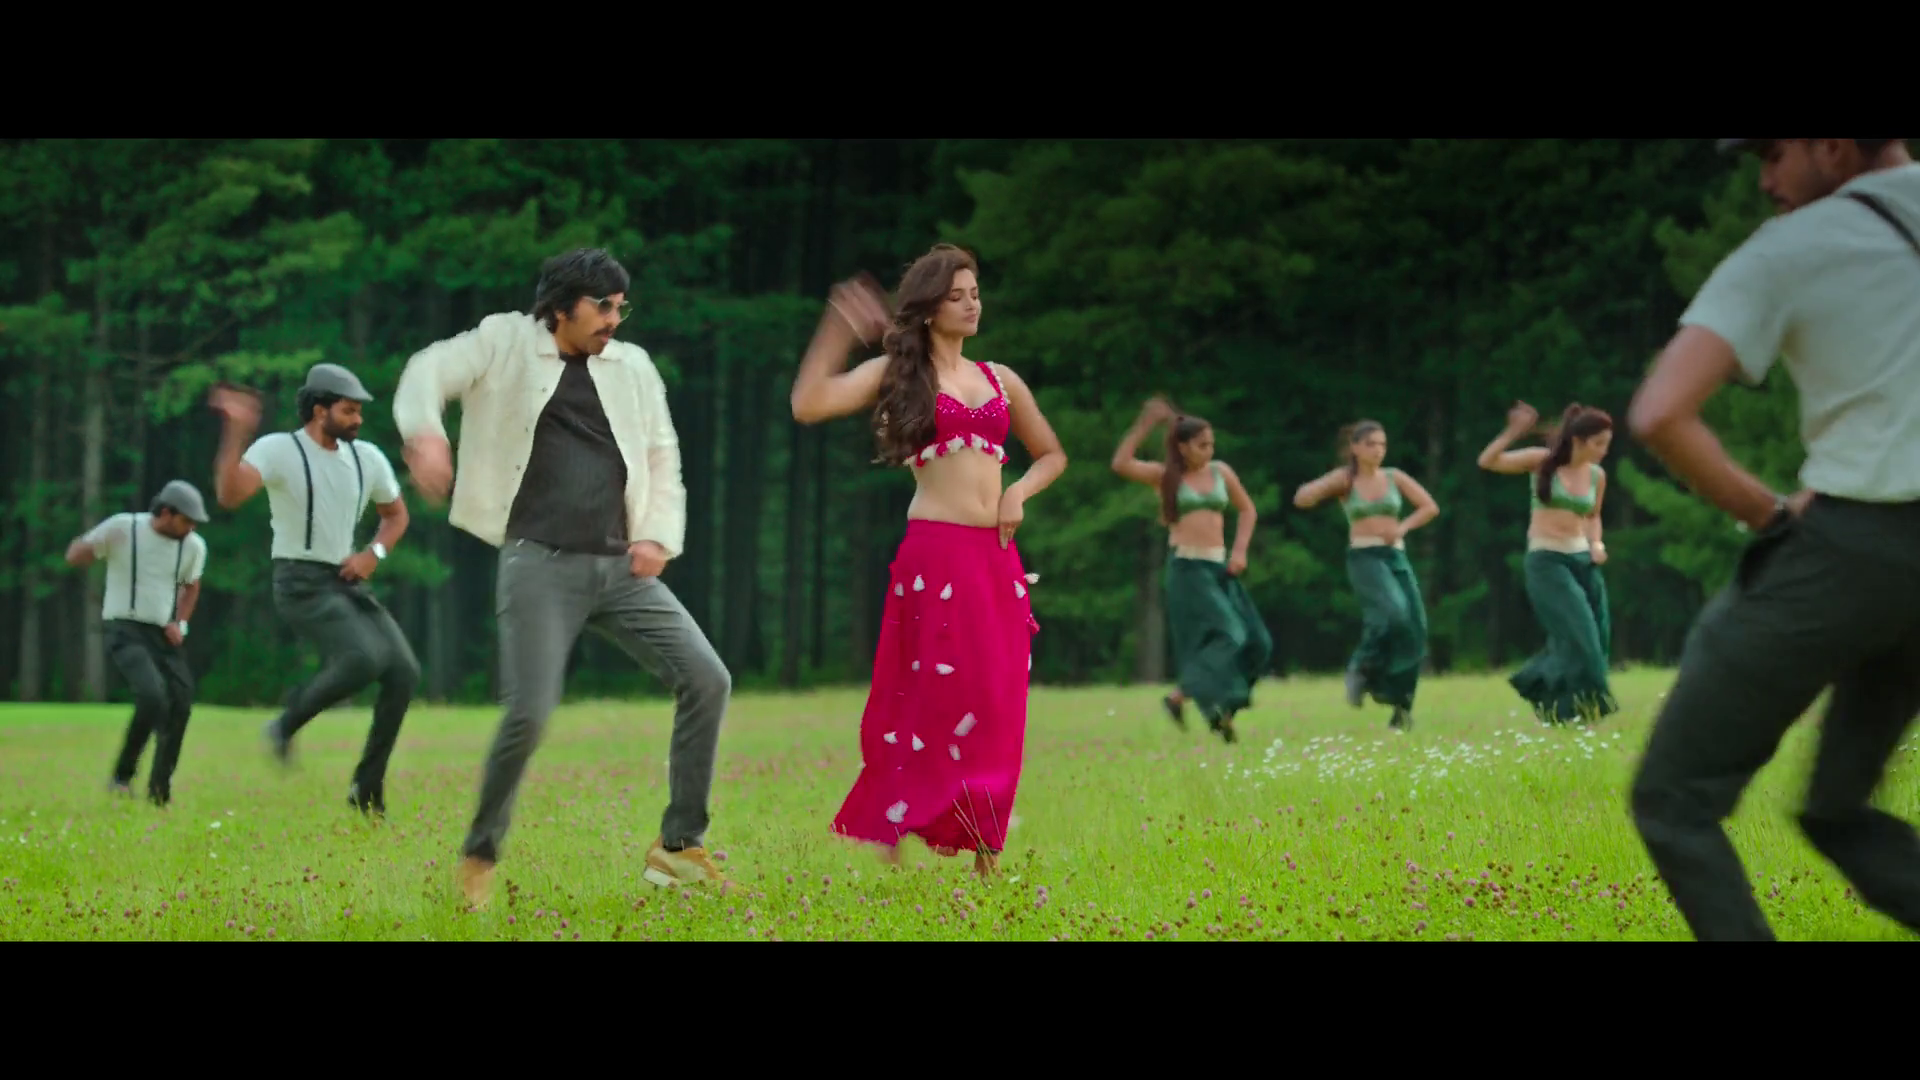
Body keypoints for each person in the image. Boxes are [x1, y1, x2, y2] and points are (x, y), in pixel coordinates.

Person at [1626, 137, 1920, 941]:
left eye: (1773, 152)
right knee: (1838, 810)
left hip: (1852, 549)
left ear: (1833, 145)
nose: (1764, 180)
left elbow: (1660, 413)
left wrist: (1768, 516)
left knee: (1674, 798)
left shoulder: (1793, 246)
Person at [392, 247, 733, 909]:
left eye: (621, 306)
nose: (614, 319)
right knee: (530, 711)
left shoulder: (632, 367)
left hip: (620, 569)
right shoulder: (505, 343)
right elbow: (427, 369)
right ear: (560, 306)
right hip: (539, 564)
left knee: (707, 678)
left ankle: (679, 846)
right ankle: (479, 855)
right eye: (602, 305)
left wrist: (657, 533)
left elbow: (661, 454)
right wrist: (425, 433)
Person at [790, 244, 1067, 878]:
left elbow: (1051, 454)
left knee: (997, 699)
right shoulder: (899, 374)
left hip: (995, 558)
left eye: (975, 294)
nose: (972, 305)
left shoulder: (1001, 379)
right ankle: (893, 828)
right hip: (934, 558)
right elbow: (808, 403)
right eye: (956, 296)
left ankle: (985, 852)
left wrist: (1018, 493)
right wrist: (838, 327)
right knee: (923, 699)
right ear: (929, 307)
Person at [208, 363, 418, 817]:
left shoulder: (368, 458)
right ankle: (284, 726)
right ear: (319, 410)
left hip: (346, 579)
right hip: (300, 582)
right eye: (348, 410)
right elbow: (229, 495)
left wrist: (373, 554)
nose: (358, 419)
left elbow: (396, 515)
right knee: (362, 658)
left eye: (359, 410)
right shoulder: (279, 450)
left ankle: (366, 788)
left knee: (403, 672)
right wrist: (236, 431)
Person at [1111, 396, 1271, 742]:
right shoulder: (1166, 477)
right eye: (1202, 445)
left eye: (1211, 444)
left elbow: (1247, 510)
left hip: (1220, 567)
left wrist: (1239, 551)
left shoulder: (1221, 473)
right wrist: (1145, 424)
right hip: (1188, 569)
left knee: (1258, 641)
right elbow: (1121, 463)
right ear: (1182, 448)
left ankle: (1223, 710)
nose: (1209, 451)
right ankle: (1182, 695)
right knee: (1230, 635)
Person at [64, 480, 212, 807]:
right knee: (151, 695)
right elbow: (78, 553)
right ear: (166, 513)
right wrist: (81, 550)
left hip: (164, 632)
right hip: (125, 628)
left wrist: (180, 623)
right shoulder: (124, 528)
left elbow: (191, 585)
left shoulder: (193, 546)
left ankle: (160, 789)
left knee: (181, 702)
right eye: (186, 520)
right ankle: (122, 776)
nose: (191, 528)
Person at [1475, 400, 1617, 724]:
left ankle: (1559, 706)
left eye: (1607, 444)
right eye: (1599, 443)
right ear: (1578, 440)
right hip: (1547, 561)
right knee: (1581, 636)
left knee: (1596, 638)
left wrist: (1596, 544)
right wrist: (1513, 432)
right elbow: (1488, 461)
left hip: (1584, 561)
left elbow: (1593, 516)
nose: (1604, 451)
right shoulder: (1542, 462)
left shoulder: (1597, 475)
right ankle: (1588, 709)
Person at [1293, 419, 1439, 730]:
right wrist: (1313, 491)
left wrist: (1402, 527)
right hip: (1365, 557)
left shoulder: (1394, 477)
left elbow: (1429, 506)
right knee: (1392, 613)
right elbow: (1303, 497)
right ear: (1355, 448)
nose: (1378, 450)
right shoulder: (1346, 479)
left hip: (1396, 556)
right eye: (1371, 444)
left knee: (1415, 627)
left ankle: (1401, 706)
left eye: (1382, 444)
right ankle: (1361, 668)